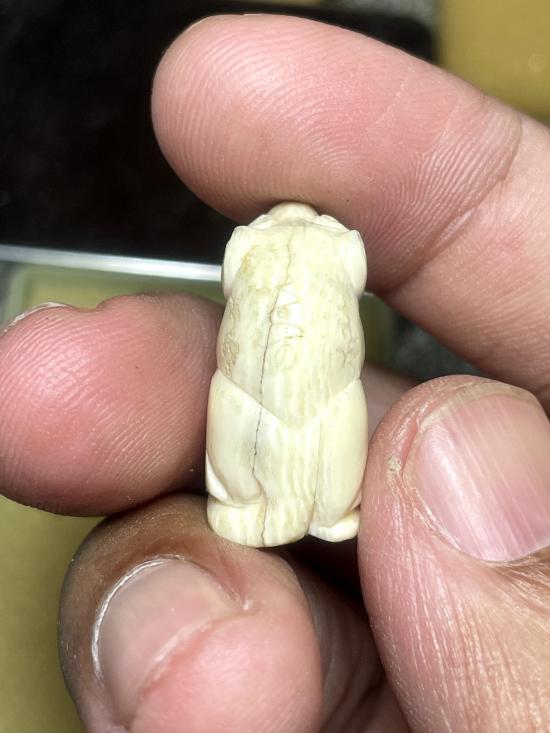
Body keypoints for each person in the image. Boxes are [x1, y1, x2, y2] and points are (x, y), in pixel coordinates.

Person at [2, 14, 550, 732]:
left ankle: (318, 506)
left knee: (328, 435)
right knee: (238, 421)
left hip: (325, 388)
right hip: (250, 387)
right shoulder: (255, 243)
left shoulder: (336, 243)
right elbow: (240, 285)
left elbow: (350, 275)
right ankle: (255, 499)